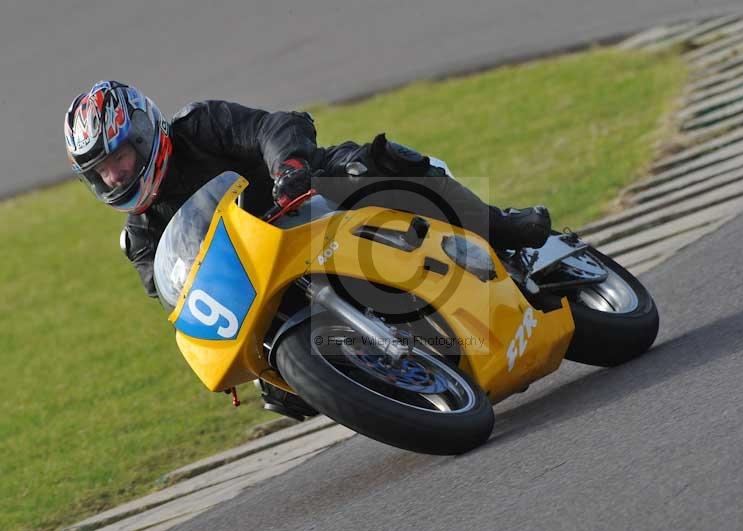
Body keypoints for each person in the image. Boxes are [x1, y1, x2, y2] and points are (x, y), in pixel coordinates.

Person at [65, 80, 551, 415]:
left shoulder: (199, 125)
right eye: (101, 172)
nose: (114, 176)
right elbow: (175, 293)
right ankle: (383, 378)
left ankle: (498, 226)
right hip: (266, 274)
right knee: (280, 393)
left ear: (143, 133)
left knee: (365, 168)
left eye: (120, 158)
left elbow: (271, 127)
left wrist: (288, 168)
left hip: (306, 200)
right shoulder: (140, 236)